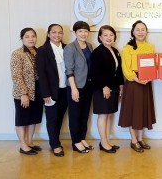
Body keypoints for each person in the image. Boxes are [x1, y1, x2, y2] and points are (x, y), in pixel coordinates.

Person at [118, 20, 156, 153]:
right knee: (132, 112)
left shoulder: (150, 47)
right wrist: (137, 79)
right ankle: (133, 140)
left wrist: (150, 76)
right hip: (133, 83)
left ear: (146, 31)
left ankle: (140, 138)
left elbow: (153, 65)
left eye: (143, 29)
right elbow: (126, 69)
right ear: (133, 32)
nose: (140, 32)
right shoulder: (127, 48)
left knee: (143, 111)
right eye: (138, 29)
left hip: (146, 83)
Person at [10, 27, 43, 155]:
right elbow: (16, 75)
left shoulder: (39, 52)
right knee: (22, 118)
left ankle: (30, 142)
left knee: (33, 118)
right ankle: (23, 145)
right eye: (27, 36)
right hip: (23, 92)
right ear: (22, 38)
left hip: (38, 90)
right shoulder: (17, 53)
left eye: (33, 36)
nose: (31, 39)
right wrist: (24, 94)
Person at [91, 25, 124, 154]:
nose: (109, 37)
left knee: (109, 114)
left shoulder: (115, 50)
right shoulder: (98, 52)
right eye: (105, 35)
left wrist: (121, 84)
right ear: (100, 37)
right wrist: (104, 86)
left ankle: (106, 141)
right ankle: (103, 143)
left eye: (111, 35)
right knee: (103, 115)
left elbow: (119, 70)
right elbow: (95, 73)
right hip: (102, 89)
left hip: (113, 88)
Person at [36, 24, 67, 157]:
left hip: (66, 89)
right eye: (54, 32)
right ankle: (55, 144)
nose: (57, 35)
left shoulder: (67, 48)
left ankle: (56, 140)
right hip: (51, 91)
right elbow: (41, 74)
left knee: (60, 118)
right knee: (52, 118)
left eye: (60, 32)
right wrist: (45, 93)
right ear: (48, 34)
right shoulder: (42, 50)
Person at [63, 21, 94, 153]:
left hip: (88, 86)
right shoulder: (70, 48)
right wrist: (74, 89)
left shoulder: (90, 46)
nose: (83, 33)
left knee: (84, 114)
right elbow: (69, 70)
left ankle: (82, 138)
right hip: (76, 87)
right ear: (75, 32)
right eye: (80, 31)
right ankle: (76, 142)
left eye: (86, 31)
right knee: (75, 115)